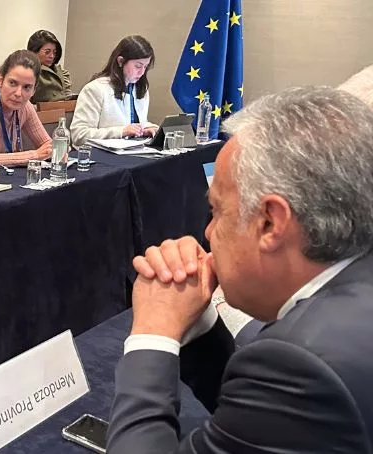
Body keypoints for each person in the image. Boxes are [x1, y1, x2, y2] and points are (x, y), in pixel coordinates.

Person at [106, 86, 373, 453]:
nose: (207, 233)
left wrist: (154, 333)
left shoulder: (304, 363)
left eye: (216, 211)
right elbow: (266, 420)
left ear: (270, 223)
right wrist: (198, 323)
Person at [70, 35, 158, 148]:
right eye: (138, 66)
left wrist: (147, 128)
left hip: (130, 151)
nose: (142, 72)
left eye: (145, 67)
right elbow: (79, 135)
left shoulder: (140, 89)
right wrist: (121, 132)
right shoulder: (95, 89)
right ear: (121, 61)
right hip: (99, 154)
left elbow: (134, 124)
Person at [26, 30, 73, 103]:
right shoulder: (29, 72)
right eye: (47, 52)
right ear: (34, 51)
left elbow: (68, 100)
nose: (52, 56)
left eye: (54, 52)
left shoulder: (62, 73)